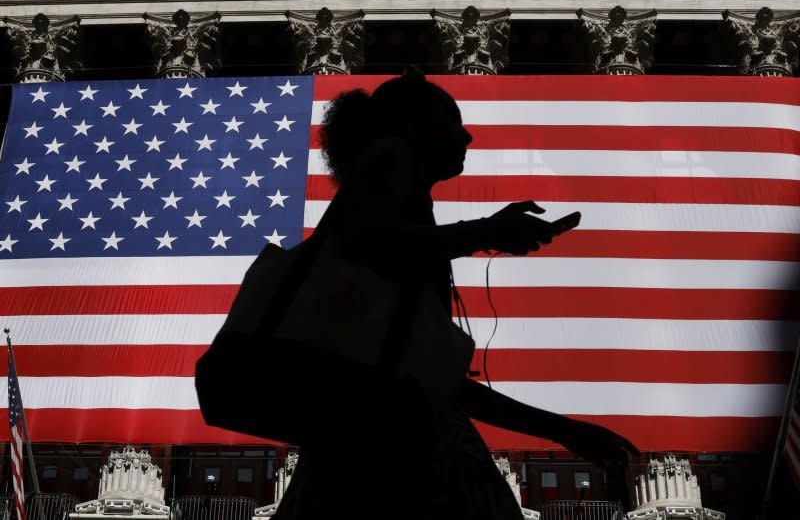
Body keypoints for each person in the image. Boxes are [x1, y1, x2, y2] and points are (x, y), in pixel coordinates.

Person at [196, 70, 638, 520]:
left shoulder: (404, 210)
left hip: (367, 445)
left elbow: (431, 383)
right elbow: (366, 240)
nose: (466, 134)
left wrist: (561, 429)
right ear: (412, 125)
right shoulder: (390, 157)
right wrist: (486, 231)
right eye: (450, 119)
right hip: (403, 457)